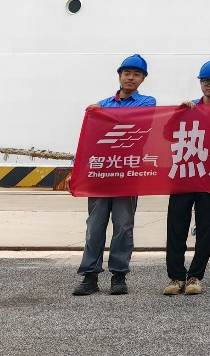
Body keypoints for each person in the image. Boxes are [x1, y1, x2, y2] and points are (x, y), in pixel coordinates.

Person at [72, 54, 157, 297]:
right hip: (101, 173)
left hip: (127, 172)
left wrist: (102, 114)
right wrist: (77, 169)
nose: (131, 78)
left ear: (143, 79)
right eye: (127, 73)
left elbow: (137, 122)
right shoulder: (100, 105)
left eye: (136, 74)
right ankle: (89, 276)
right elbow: (88, 140)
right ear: (119, 76)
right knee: (95, 226)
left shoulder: (147, 103)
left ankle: (119, 275)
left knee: (123, 226)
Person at [164, 59, 210, 297]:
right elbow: (168, 134)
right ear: (201, 83)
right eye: (206, 81)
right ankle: (176, 277)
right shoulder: (189, 108)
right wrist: (177, 114)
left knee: (205, 228)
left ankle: (195, 276)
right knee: (176, 227)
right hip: (184, 175)